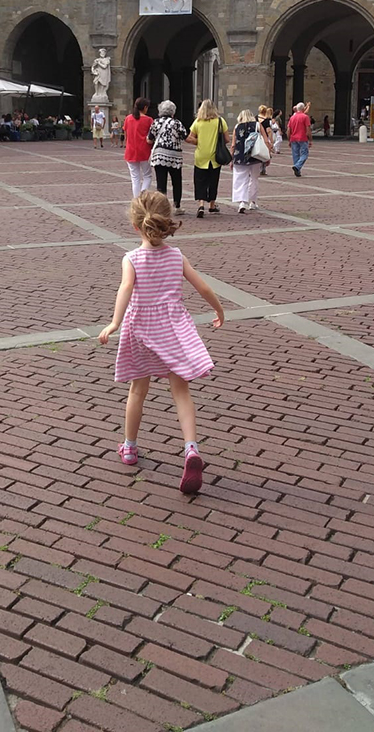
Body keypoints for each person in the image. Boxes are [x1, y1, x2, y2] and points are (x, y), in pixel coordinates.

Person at [98, 190, 224, 494]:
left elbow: (125, 289)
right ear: (166, 222)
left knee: (138, 391)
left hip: (141, 328)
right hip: (173, 329)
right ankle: (191, 448)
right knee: (181, 392)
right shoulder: (176, 255)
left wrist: (115, 322)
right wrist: (218, 309)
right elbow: (203, 286)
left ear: (136, 226)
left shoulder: (132, 258)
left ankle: (129, 447)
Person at [186, 99, 230, 218]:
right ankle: (212, 204)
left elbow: (189, 138)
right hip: (215, 156)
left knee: (200, 180)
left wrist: (199, 141)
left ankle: (201, 204)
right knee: (213, 181)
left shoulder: (198, 122)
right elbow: (227, 139)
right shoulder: (220, 121)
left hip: (201, 155)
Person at [147, 100, 188, 215]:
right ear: (173, 112)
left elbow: (150, 139)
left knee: (161, 182)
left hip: (159, 155)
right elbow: (186, 137)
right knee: (176, 181)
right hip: (174, 156)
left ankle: (161, 208)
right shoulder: (177, 123)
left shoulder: (156, 122)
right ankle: (177, 206)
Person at [232, 110, 272, 212]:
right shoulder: (257, 125)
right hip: (255, 155)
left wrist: (232, 159)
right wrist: (268, 156)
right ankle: (252, 202)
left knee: (240, 179)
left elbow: (233, 144)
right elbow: (266, 141)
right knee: (254, 178)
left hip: (240, 156)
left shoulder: (237, 127)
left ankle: (242, 202)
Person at [123, 97, 154, 196]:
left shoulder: (128, 118)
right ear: (145, 107)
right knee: (147, 175)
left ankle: (136, 199)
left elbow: (126, 134)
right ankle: (142, 194)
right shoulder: (149, 120)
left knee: (135, 178)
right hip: (144, 151)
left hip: (130, 150)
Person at [287, 101, 312, 177]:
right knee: (305, 154)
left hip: (293, 138)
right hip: (302, 137)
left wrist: (289, 139)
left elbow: (288, 130)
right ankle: (297, 166)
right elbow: (308, 129)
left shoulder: (292, 117)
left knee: (295, 154)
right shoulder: (305, 117)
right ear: (303, 108)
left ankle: (297, 169)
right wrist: (310, 139)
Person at [256, 105, 273, 176]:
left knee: (257, 152)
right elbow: (268, 130)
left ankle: (257, 167)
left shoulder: (255, 118)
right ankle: (263, 168)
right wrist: (271, 140)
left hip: (256, 138)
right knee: (264, 153)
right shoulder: (266, 120)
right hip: (264, 137)